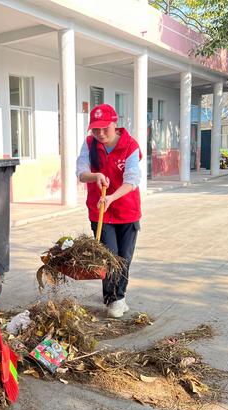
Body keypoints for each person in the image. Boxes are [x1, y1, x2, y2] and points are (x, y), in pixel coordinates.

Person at [76, 104, 142, 318]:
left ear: (115, 123)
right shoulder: (89, 144)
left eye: (105, 128)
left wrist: (112, 197)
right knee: (109, 256)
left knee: (124, 257)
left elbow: (132, 179)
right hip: (100, 211)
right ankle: (113, 299)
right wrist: (95, 176)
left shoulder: (130, 145)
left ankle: (118, 295)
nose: (100, 134)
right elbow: (81, 171)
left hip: (127, 210)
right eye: (96, 129)